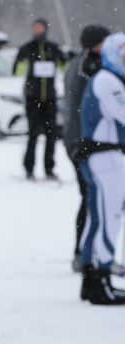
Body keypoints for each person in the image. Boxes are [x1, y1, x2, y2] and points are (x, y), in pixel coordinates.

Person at [77, 32, 125, 305]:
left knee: (97, 218)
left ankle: (91, 279)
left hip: (102, 156)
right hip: (105, 158)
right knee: (110, 218)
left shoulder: (106, 78)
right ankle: (101, 279)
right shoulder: (108, 80)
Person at [63, 24, 110, 273]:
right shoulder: (87, 67)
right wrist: (81, 143)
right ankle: (85, 254)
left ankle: (92, 253)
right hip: (83, 143)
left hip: (80, 141)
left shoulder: (83, 63)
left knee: (95, 198)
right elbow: (85, 109)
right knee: (92, 198)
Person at [14, 18, 67, 180]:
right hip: (32, 97)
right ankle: (29, 168)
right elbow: (17, 71)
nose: (37, 30)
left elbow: (64, 67)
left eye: (40, 27)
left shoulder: (53, 48)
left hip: (50, 97)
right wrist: (21, 60)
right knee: (33, 133)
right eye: (35, 27)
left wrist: (65, 57)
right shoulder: (27, 48)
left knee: (51, 135)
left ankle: (49, 169)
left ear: (45, 29)